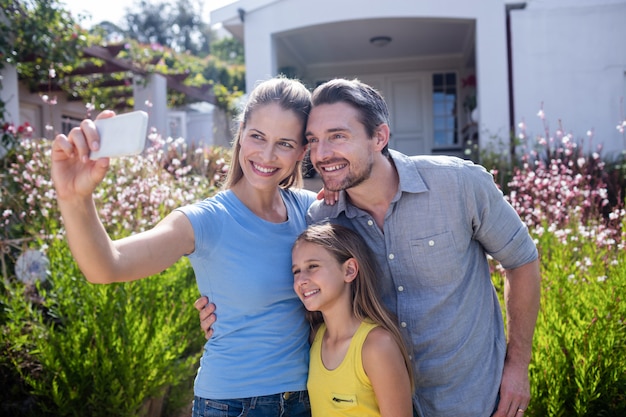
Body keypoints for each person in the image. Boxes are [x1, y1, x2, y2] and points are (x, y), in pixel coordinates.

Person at [197, 77, 541, 417]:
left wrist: (518, 365)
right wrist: (226, 311)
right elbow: (309, 298)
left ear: (379, 137)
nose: (322, 154)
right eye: (313, 140)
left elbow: (522, 261)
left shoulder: (460, 184)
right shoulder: (324, 219)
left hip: (472, 402)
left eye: (338, 137)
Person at [51, 76, 317, 417]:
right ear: (241, 134)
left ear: (301, 151)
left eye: (284, 143)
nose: (266, 154)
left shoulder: (311, 211)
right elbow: (107, 266)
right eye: (257, 136)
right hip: (233, 404)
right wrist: (74, 198)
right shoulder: (205, 220)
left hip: (306, 398)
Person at [291, 222, 414, 417]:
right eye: (296, 271)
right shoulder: (316, 338)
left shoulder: (377, 346)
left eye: (312, 266)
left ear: (349, 270)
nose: (301, 280)